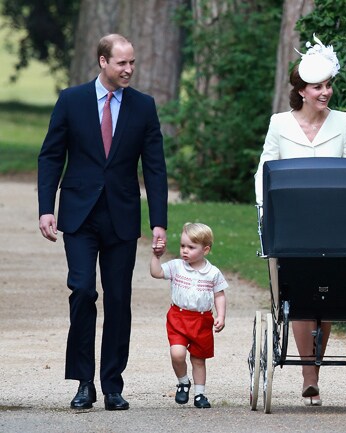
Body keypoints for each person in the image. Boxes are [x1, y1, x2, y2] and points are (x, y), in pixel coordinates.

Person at [37, 34, 168, 411]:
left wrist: (158, 221)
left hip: (122, 218)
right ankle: (83, 382)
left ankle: (112, 384)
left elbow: (155, 168)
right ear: (102, 62)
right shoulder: (72, 100)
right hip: (79, 214)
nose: (128, 70)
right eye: (121, 63)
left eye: (132, 63)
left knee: (119, 299)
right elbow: (50, 156)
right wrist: (47, 207)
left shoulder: (143, 107)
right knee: (82, 292)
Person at [254, 34, 346, 406]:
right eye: (318, 86)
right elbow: (265, 169)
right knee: (299, 292)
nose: (326, 92)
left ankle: (313, 366)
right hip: (292, 221)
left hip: (333, 221)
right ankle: (309, 374)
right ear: (301, 91)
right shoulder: (280, 123)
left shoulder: (343, 122)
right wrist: (263, 209)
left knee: (328, 293)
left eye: (328, 85)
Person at [150, 222, 227, 409]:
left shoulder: (213, 273)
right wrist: (156, 256)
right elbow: (156, 273)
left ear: (205, 250)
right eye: (183, 246)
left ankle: (200, 394)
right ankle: (183, 382)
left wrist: (221, 316)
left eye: (191, 247)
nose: (185, 251)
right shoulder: (177, 266)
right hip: (178, 317)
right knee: (177, 353)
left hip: (202, 319)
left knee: (198, 359)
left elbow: (219, 295)